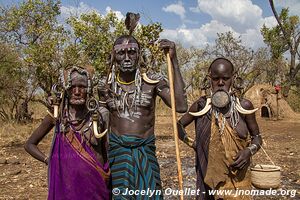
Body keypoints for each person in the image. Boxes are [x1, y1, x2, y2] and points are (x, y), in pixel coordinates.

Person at [98, 20, 188, 199]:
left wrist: (174, 60)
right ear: (113, 57)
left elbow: (181, 106)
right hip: (118, 156)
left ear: (139, 55)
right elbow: (101, 125)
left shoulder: (152, 82)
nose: (126, 57)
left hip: (145, 154)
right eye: (121, 53)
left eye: (131, 52)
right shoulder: (106, 87)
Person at [177, 58, 262, 200]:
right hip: (209, 179)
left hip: (238, 181)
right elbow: (179, 126)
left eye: (226, 78)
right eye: (216, 79)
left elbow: (257, 137)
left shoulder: (244, 106)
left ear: (233, 79)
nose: (221, 83)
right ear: (209, 79)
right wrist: (193, 144)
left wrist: (248, 151)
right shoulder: (201, 106)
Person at [24, 65, 110, 200]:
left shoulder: (100, 115)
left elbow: (108, 152)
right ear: (65, 90)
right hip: (65, 189)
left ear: (88, 89)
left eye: (81, 87)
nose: (77, 91)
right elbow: (29, 144)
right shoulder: (57, 116)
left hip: (96, 187)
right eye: (72, 87)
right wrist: (49, 161)